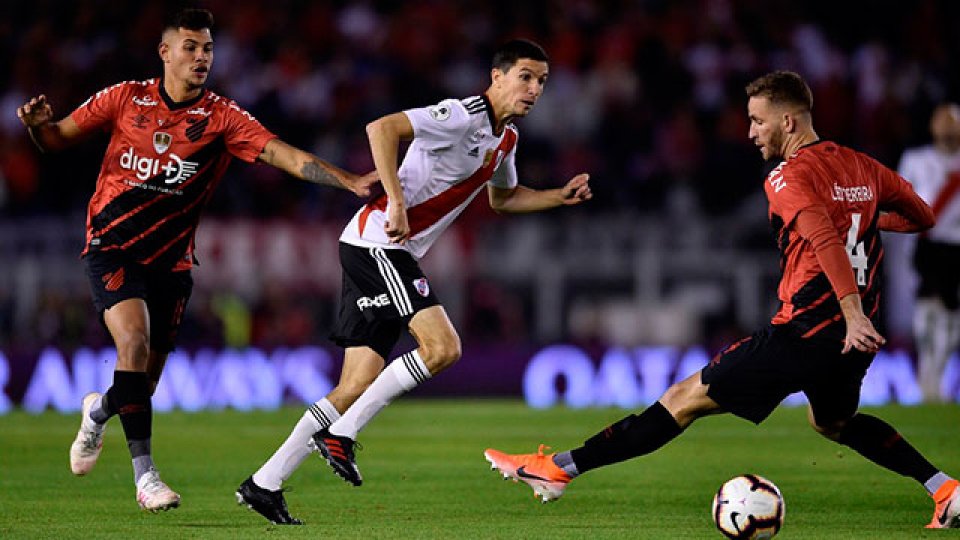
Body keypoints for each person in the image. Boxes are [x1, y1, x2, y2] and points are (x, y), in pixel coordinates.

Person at [484, 70, 960, 530]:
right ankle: (943, 488)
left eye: (757, 120)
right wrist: (866, 220)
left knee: (680, 400)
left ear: (788, 122)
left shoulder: (786, 177)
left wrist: (851, 310)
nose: (751, 132)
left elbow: (823, 240)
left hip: (806, 333)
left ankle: (559, 469)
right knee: (834, 422)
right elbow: (920, 215)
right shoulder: (862, 164)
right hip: (853, 343)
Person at [16, 8, 375, 516]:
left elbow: (285, 156)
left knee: (143, 382)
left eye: (207, 48)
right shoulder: (124, 98)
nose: (201, 56)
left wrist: (350, 182)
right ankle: (147, 479)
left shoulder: (222, 117)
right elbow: (56, 139)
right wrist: (37, 127)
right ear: (165, 52)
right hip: (111, 246)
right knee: (133, 345)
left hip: (172, 264)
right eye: (190, 47)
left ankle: (97, 411)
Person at [240, 38, 591, 524]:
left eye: (542, 82)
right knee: (443, 347)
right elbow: (381, 127)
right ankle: (341, 435)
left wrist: (558, 196)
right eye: (525, 77)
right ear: (497, 77)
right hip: (379, 243)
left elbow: (503, 200)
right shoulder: (463, 113)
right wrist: (397, 200)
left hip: (377, 247)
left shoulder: (506, 139)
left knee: (353, 385)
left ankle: (265, 483)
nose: (534, 89)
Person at [897, 103, 960, 403]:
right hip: (926, 245)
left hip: (956, 246)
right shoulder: (916, 159)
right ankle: (928, 376)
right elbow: (901, 199)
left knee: (951, 314)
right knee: (925, 308)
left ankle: (938, 373)